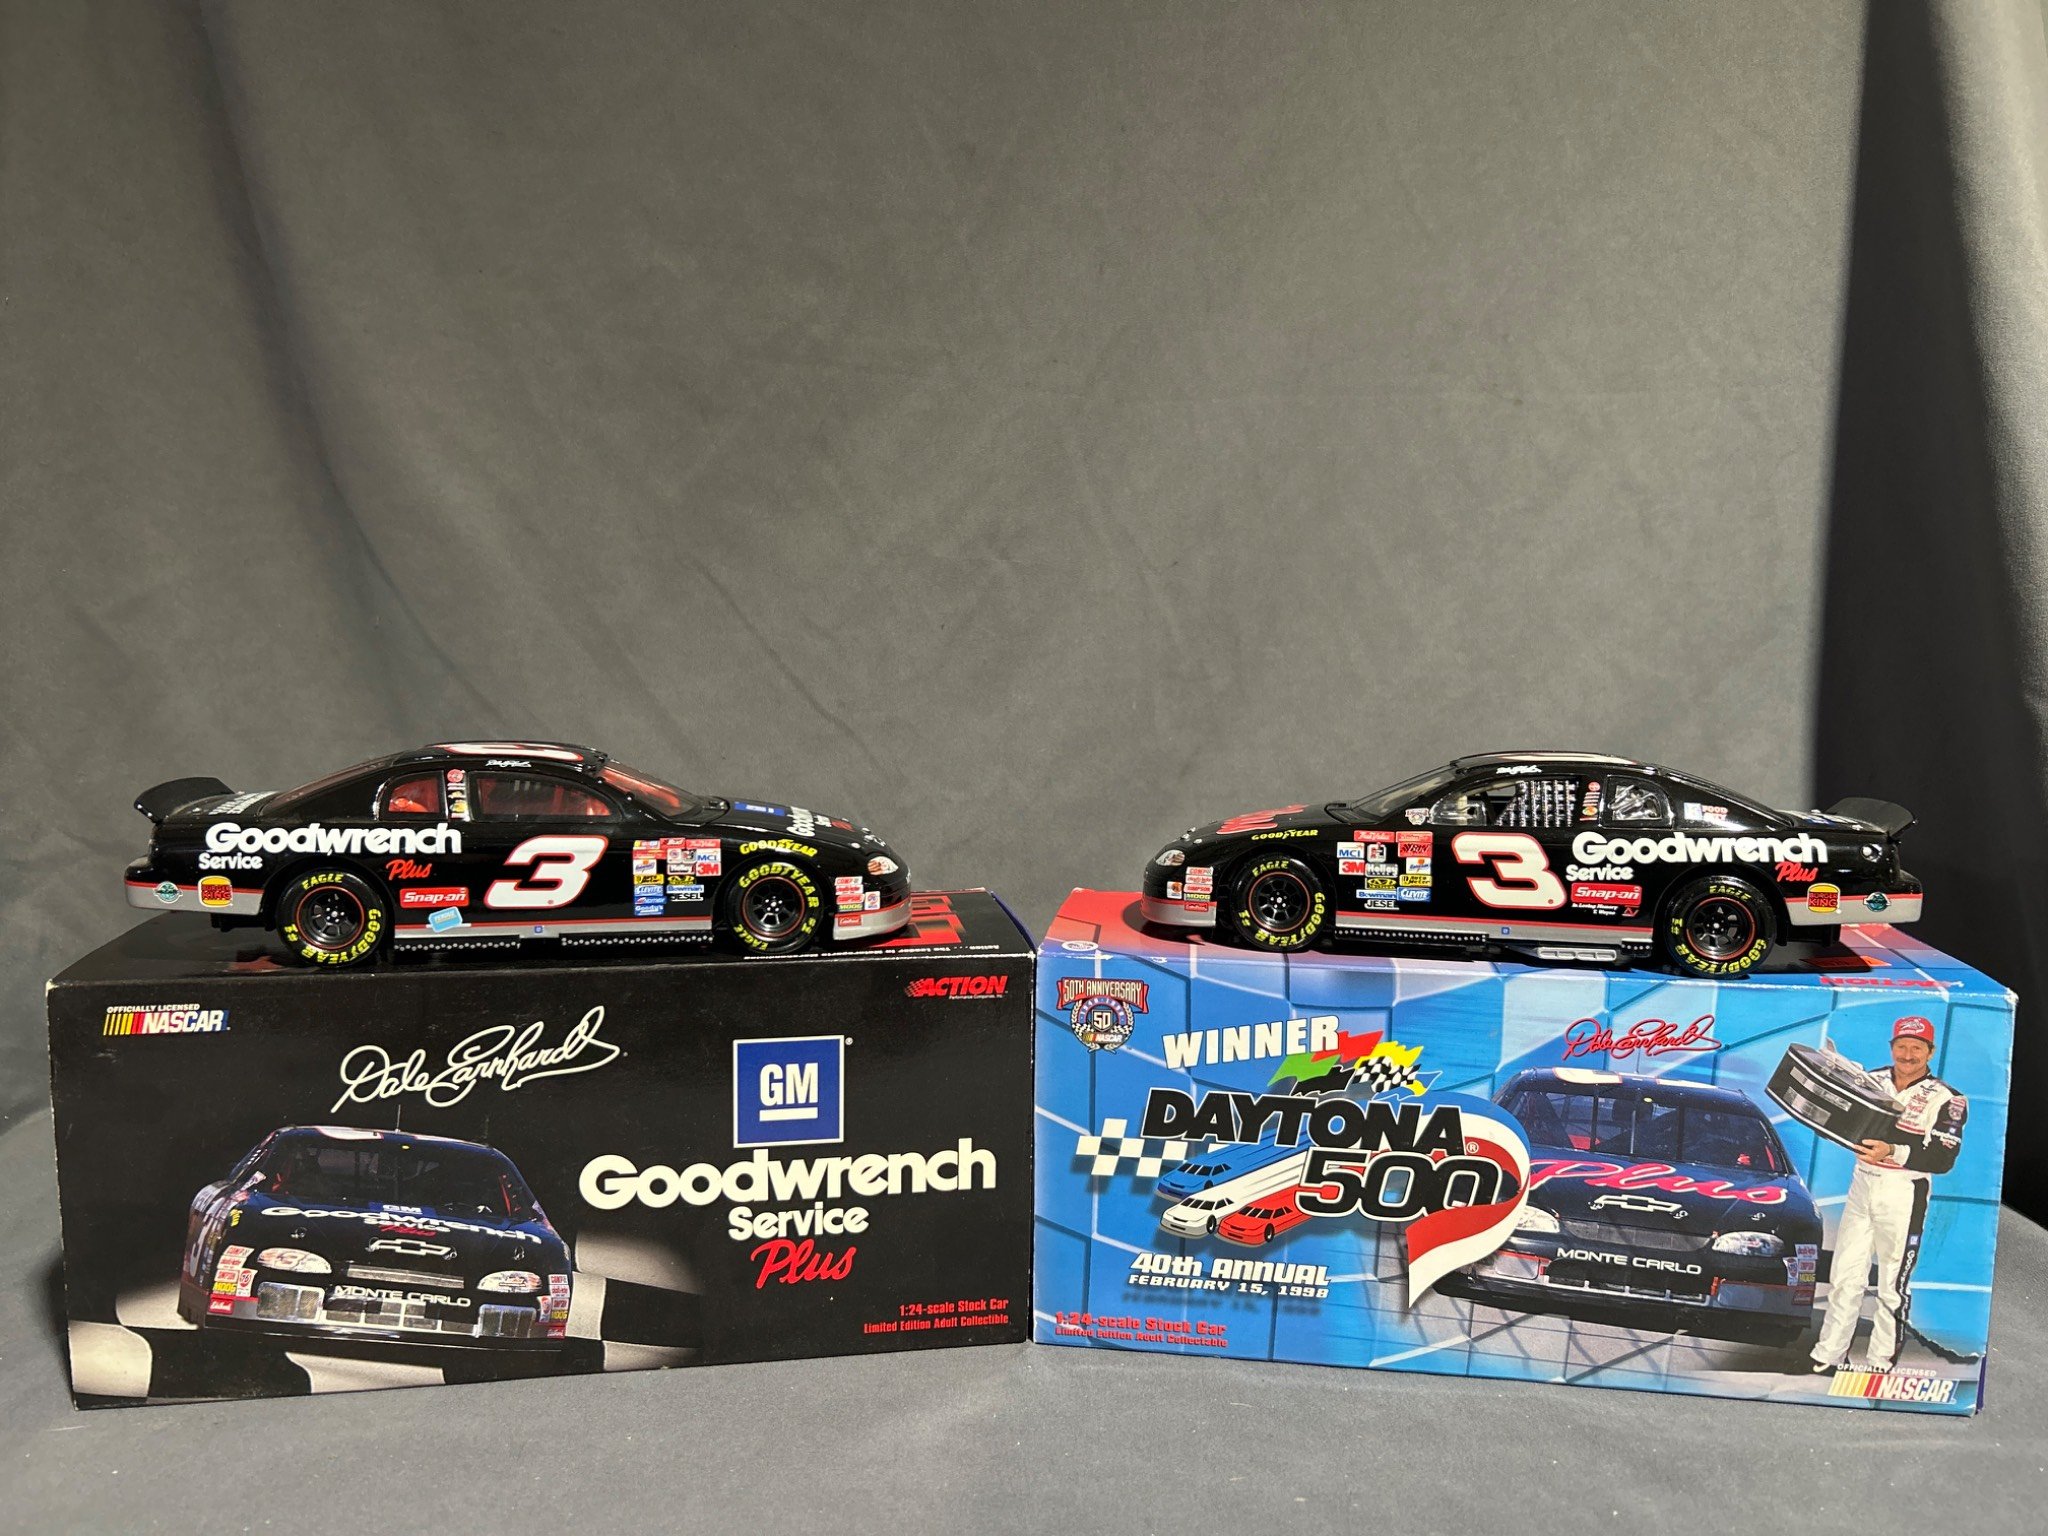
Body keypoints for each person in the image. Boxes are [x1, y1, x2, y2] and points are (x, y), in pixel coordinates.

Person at [1811, 1016, 1968, 1374]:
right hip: (1862, 1185)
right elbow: (1843, 1120)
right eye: (1902, 1046)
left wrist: (1892, 1151)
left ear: (1931, 1051)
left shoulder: (1948, 1098)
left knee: (1892, 1284)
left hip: (1904, 1191)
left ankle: (1880, 1362)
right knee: (1845, 1276)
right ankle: (1829, 1354)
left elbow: (1943, 1159)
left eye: (1917, 1048)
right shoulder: (1872, 1080)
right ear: (1892, 1047)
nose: (1908, 1055)